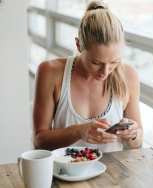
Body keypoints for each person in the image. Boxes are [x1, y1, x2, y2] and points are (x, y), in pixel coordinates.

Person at [33, 0, 143, 152]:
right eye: (96, 63)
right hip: (65, 173)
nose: (105, 72)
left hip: (114, 174)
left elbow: (137, 144)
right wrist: (79, 131)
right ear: (78, 45)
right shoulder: (50, 72)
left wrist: (133, 135)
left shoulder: (129, 75)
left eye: (114, 62)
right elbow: (40, 142)